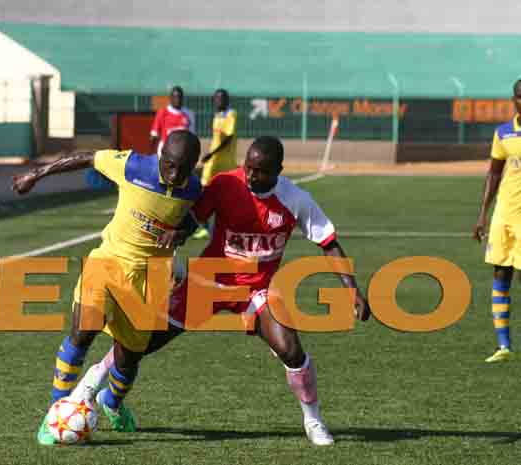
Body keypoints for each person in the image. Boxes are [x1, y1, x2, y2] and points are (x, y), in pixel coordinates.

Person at [75, 136, 371, 446]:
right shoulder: (225, 184)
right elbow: (193, 218)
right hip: (208, 283)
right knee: (141, 341)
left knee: (291, 349)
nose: (251, 176)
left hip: (257, 290)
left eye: (260, 171)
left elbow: (328, 243)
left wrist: (352, 291)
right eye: (248, 167)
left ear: (278, 171)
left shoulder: (295, 199)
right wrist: (178, 236)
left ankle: (314, 421)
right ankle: (90, 387)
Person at [11, 130, 202, 445]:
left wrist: (181, 233)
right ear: (160, 154)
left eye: (182, 168)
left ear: (193, 165)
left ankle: (111, 403)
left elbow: (195, 219)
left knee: (129, 358)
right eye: (168, 164)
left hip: (150, 278)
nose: (173, 174)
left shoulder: (193, 188)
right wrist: (37, 173)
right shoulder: (133, 166)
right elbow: (87, 157)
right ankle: (55, 412)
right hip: (108, 263)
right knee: (83, 333)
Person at [473, 79, 521, 363]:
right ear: (514, 99)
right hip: (504, 214)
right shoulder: (503, 133)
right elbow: (493, 174)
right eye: (519, 97)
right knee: (500, 274)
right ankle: (504, 346)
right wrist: (482, 214)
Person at [192, 88, 238, 239]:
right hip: (212, 163)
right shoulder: (217, 115)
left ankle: (226, 228)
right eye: (216, 99)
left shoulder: (231, 114)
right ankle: (205, 226)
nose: (218, 101)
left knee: (227, 198)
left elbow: (228, 138)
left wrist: (211, 153)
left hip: (226, 164)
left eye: (221, 98)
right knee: (202, 192)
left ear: (227, 100)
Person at [150, 86, 196, 155]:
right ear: (170, 98)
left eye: (179, 97)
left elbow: (192, 136)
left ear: (182, 98)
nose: (177, 99)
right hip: (165, 150)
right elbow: (154, 135)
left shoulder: (189, 114)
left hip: (182, 152)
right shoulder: (162, 113)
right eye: (175, 97)